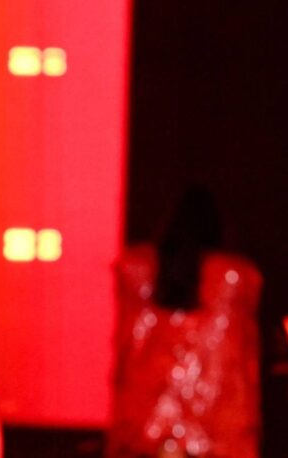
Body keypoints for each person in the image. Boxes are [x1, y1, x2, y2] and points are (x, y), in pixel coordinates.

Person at [109, 187, 261, 457]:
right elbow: (237, 373)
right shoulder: (234, 280)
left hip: (142, 430)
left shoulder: (138, 275)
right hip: (216, 436)